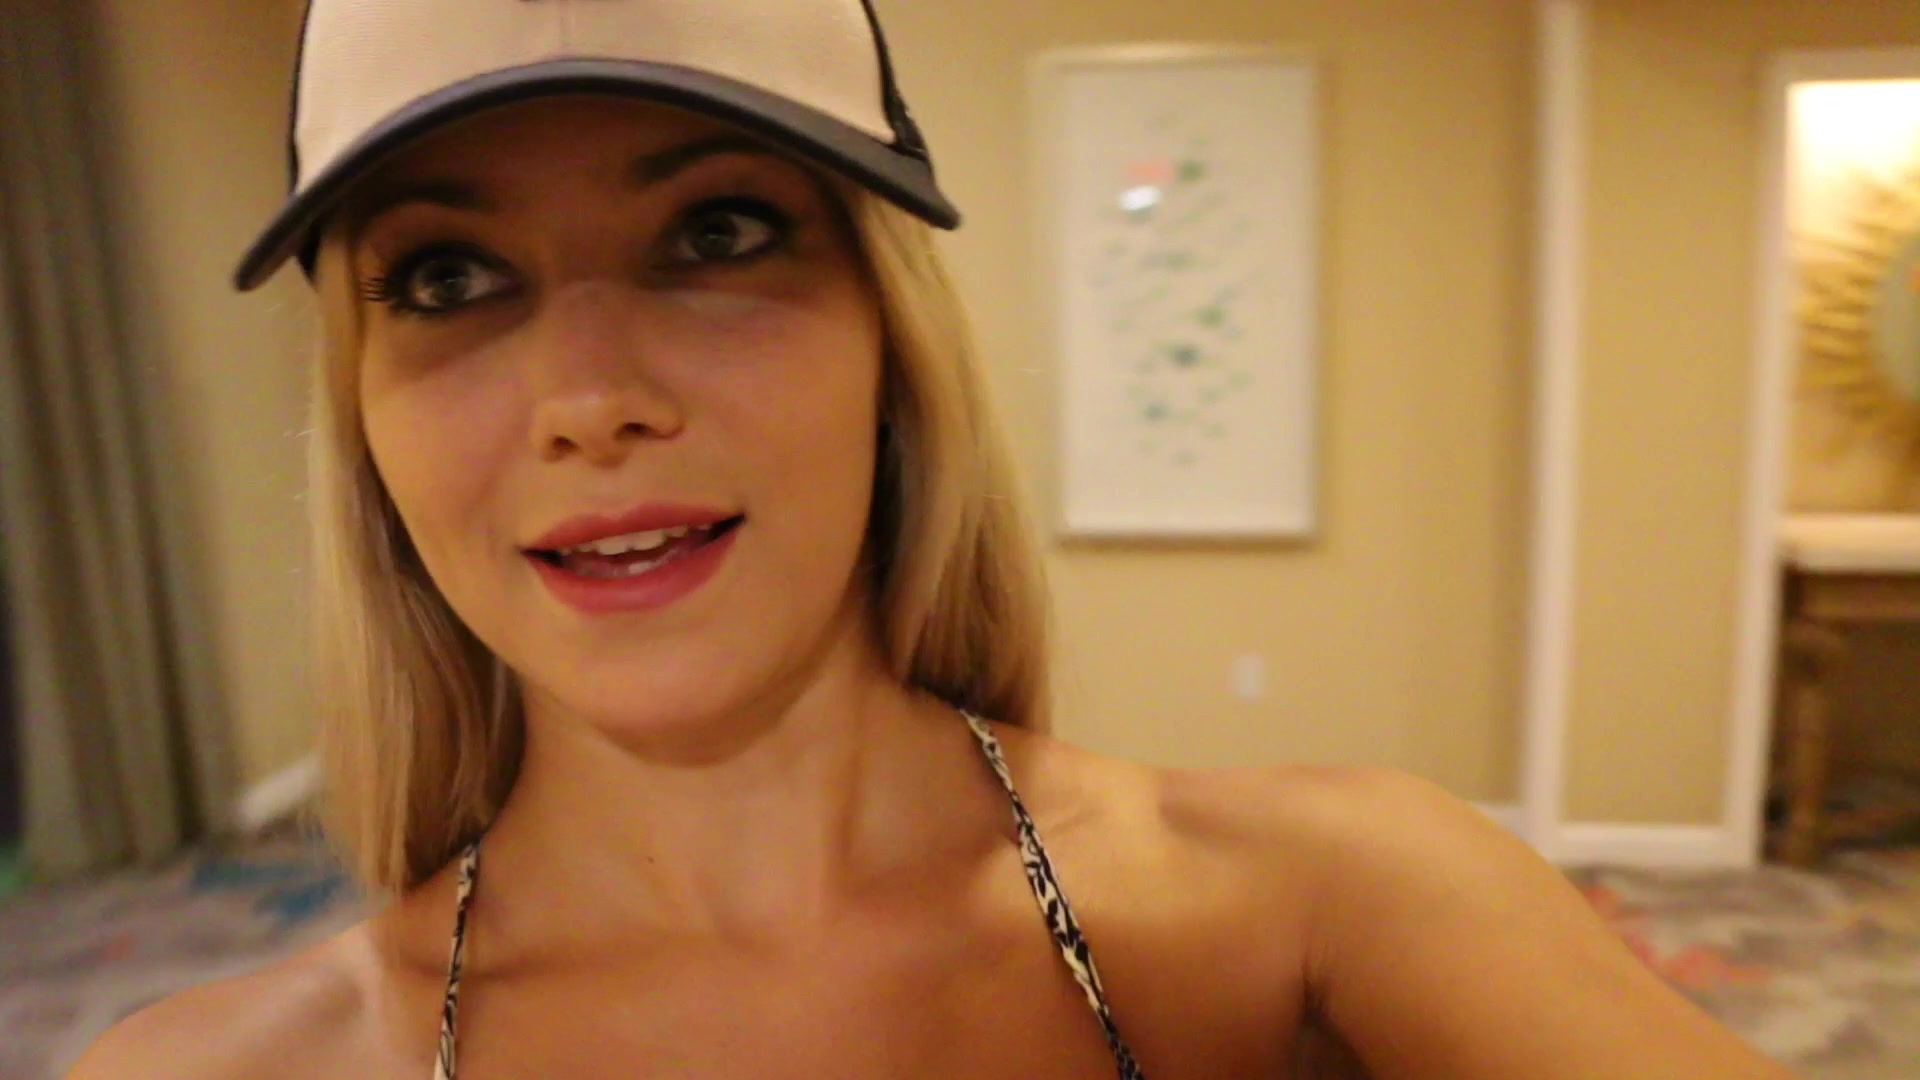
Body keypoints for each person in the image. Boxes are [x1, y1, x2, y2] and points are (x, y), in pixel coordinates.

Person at [72, 1, 1797, 1077]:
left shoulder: (1337, 911)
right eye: (448, 276)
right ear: (362, 413)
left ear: (891, 347)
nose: (589, 399)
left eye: (716, 233)